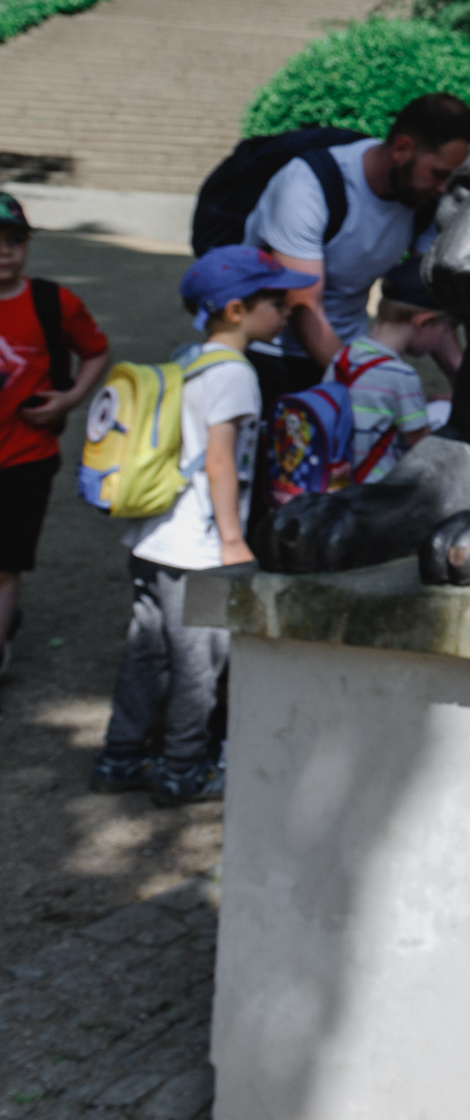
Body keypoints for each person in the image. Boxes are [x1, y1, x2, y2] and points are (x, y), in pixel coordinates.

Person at [95, 246, 311, 807]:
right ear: (237, 310)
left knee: (147, 651)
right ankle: (183, 767)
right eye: (276, 301)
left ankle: (121, 754)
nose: (286, 311)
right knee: (199, 660)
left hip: (152, 538)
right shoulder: (237, 374)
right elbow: (220, 460)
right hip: (197, 547)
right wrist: (233, 542)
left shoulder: (187, 358)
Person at [241, 91, 470, 405]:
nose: (443, 190)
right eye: (438, 174)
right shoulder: (308, 187)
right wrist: (363, 387)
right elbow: (303, 307)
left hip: (348, 348)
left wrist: (465, 383)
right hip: (274, 355)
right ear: (402, 149)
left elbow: (426, 305)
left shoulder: (424, 202)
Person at [0, 193, 113, 679]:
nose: (4, 252)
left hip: (26, 457)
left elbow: (96, 351)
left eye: (14, 241)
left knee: (4, 566)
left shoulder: (52, 302)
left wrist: (69, 401)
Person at [340, 256, 456, 483]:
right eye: (447, 330)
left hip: (344, 479)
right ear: (423, 322)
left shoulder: (345, 355)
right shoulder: (401, 376)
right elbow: (421, 445)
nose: (444, 339)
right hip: (377, 489)